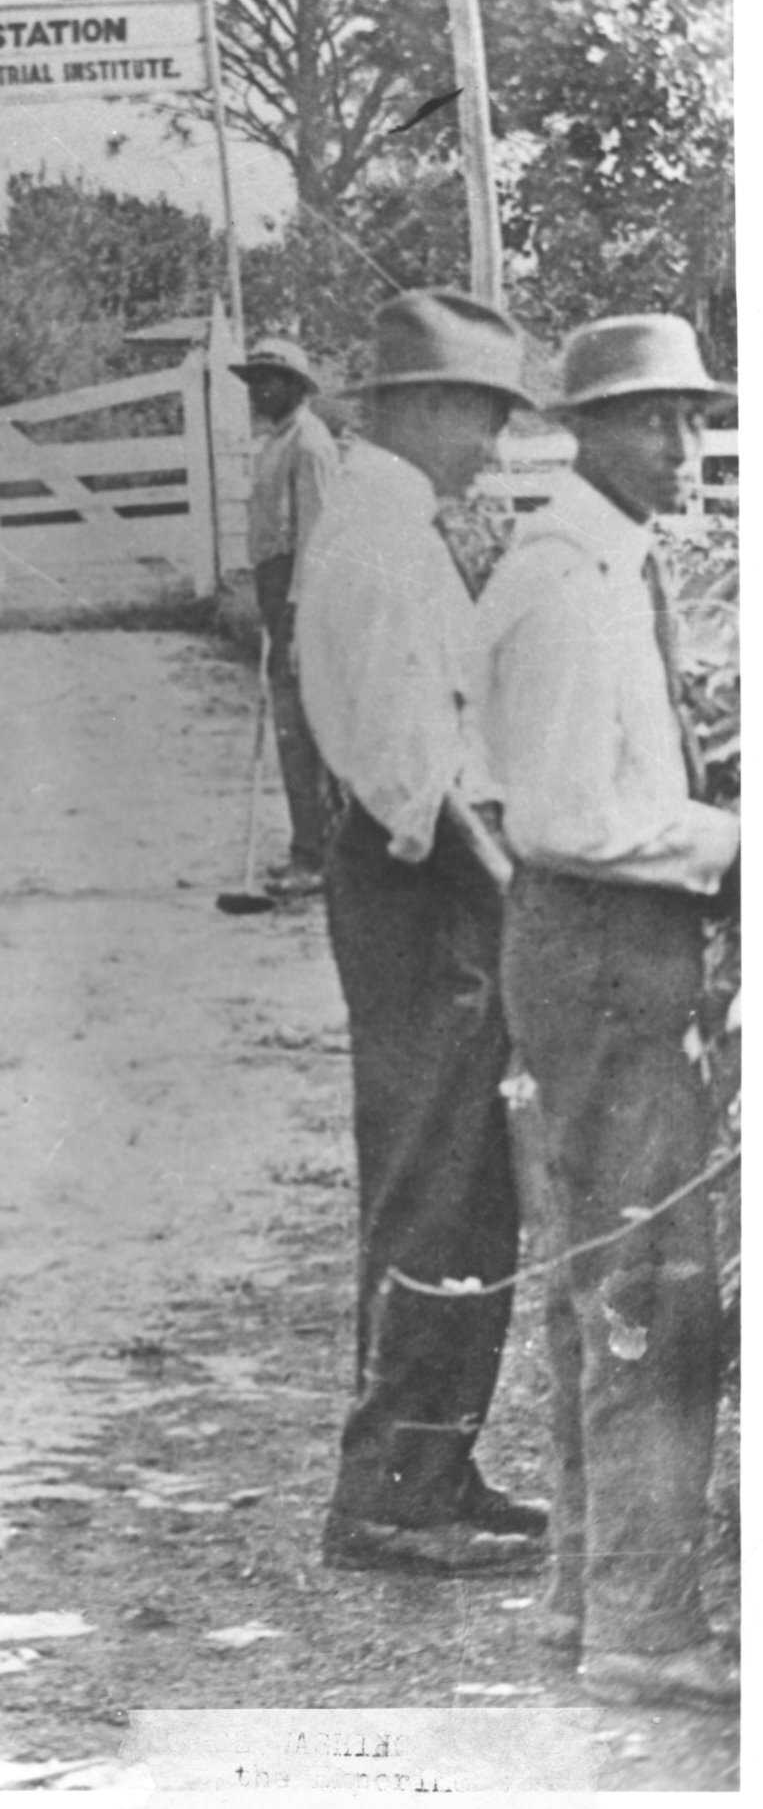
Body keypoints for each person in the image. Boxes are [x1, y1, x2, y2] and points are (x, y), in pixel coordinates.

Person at [472, 315, 739, 1710]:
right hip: (596, 947)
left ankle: (589, 1586)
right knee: (651, 1290)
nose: (678, 446)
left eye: (690, 418)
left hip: (591, 946)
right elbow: (571, 816)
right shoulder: (569, 583)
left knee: (607, 1281)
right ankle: (642, 1618)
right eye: (648, 420)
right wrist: (725, 843)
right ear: (578, 427)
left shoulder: (593, 563)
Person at [295, 289, 548, 1575]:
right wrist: (513, 893)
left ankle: (436, 1464)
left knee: (471, 1190)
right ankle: (389, 1490)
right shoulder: (378, 540)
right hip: (424, 881)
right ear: (420, 408)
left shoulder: (397, 523)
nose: (492, 442)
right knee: (432, 1187)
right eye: (480, 413)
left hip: (431, 872)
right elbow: (415, 774)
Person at [231, 336, 341, 896]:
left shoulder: (311, 446)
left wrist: (297, 619)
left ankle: (318, 857)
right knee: (290, 730)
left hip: (304, 602)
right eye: (254, 381)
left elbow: (317, 544)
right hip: (278, 596)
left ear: (297, 388)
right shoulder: (275, 443)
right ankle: (310, 846)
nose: (259, 391)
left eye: (270, 381)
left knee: (304, 732)